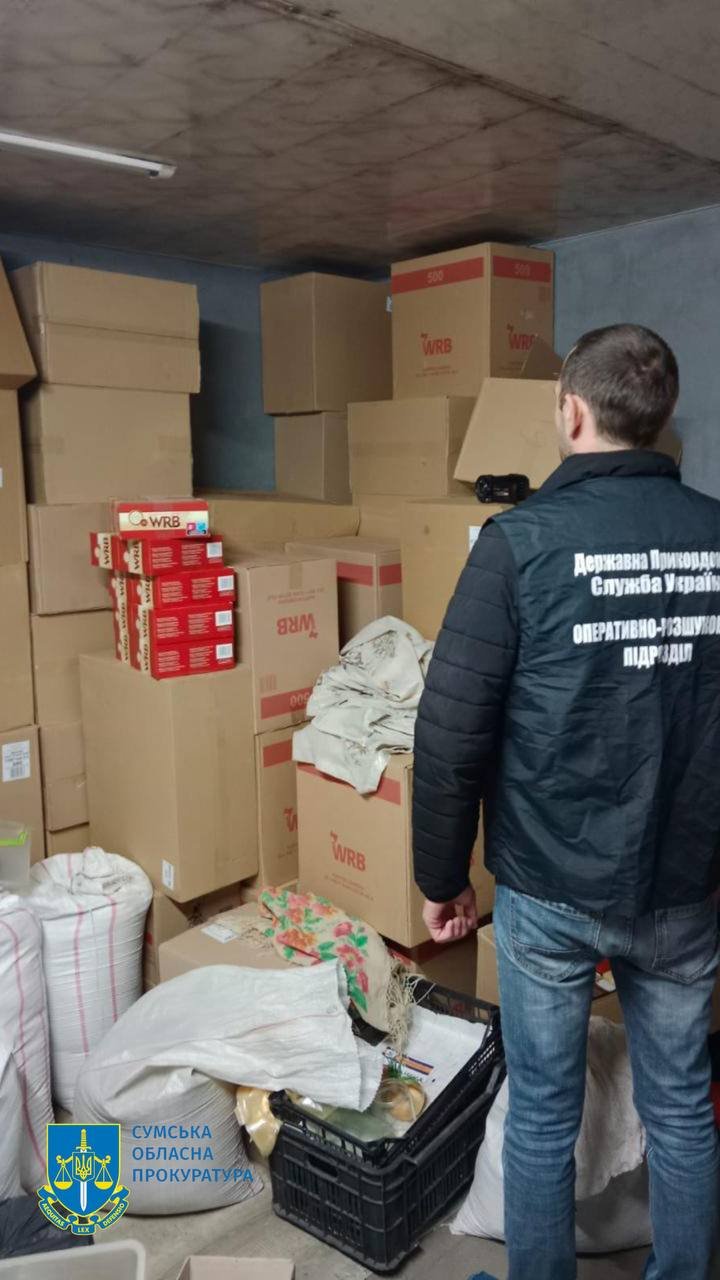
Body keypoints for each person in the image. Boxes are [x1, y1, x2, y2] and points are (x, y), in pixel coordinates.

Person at [412, 324, 720, 1280]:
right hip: (685, 881)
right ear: (660, 416)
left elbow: (451, 728)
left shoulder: (519, 544)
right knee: (681, 1106)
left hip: (550, 885)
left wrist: (441, 876)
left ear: (572, 410)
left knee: (545, 1113)